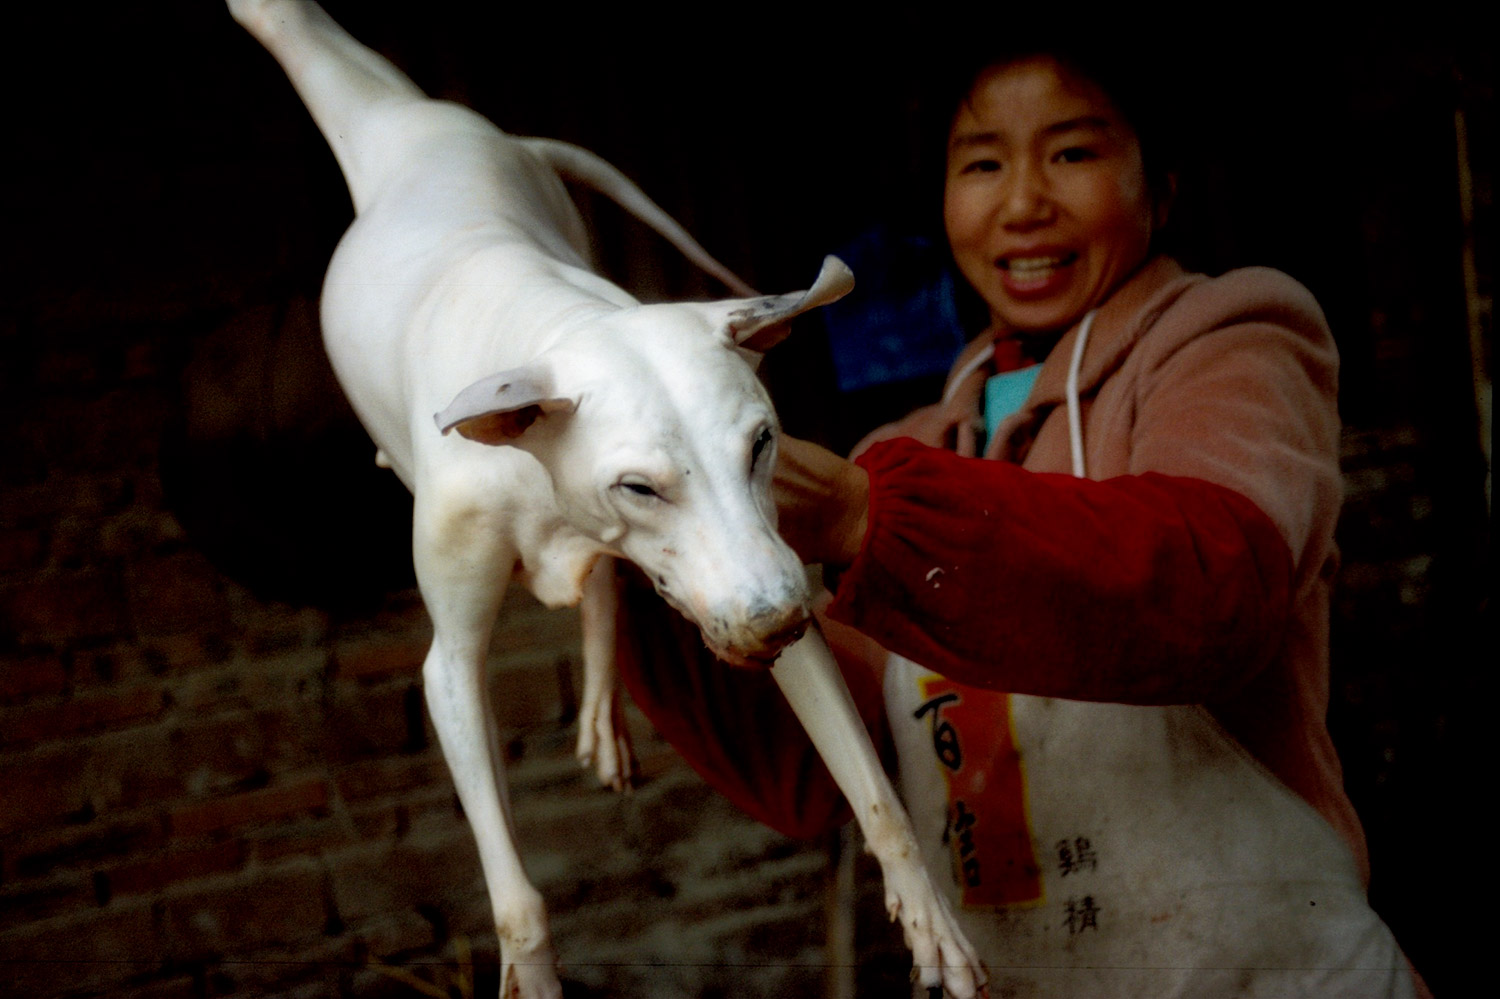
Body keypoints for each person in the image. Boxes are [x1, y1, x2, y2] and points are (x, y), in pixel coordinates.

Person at [616, 39, 1430, 999]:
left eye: (1073, 154)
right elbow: (807, 776)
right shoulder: (912, 442)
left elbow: (1215, 586)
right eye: (983, 164)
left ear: (1160, 187)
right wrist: (641, 532)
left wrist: (862, 513)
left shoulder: (1230, 340)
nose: (1022, 203)